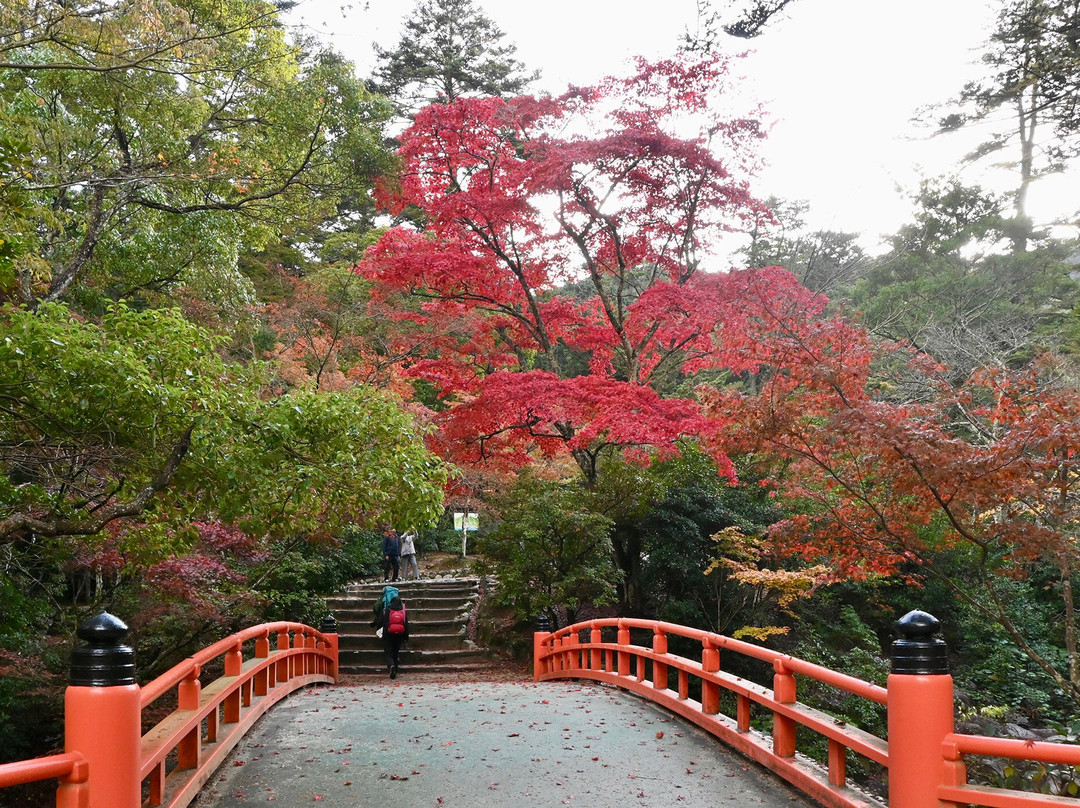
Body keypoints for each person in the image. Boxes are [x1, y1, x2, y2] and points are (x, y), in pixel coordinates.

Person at [371, 585, 408, 678]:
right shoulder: (402, 611)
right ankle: (395, 669)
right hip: (400, 634)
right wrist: (406, 637)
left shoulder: (387, 609)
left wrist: (377, 628)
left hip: (388, 633)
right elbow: (406, 624)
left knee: (388, 652)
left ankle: (391, 665)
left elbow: (381, 621)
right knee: (396, 652)